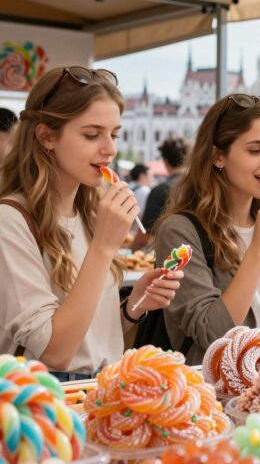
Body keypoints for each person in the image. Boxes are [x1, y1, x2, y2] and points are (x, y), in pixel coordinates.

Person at [0, 66, 181, 380]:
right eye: (92, 134)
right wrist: (104, 246)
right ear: (46, 136)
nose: (110, 149)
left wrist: (133, 305)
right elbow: (55, 352)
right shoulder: (11, 220)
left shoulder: (88, 212)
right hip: (47, 405)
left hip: (101, 388)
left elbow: (91, 340)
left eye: (114, 134)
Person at [154, 94, 260, 365]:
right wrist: (259, 250)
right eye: (255, 150)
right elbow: (214, 333)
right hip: (215, 399)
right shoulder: (180, 231)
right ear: (218, 156)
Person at [131, 135, 190, 251]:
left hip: (169, 259)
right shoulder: (204, 188)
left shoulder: (160, 191)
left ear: (165, 161)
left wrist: (131, 250)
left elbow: (145, 234)